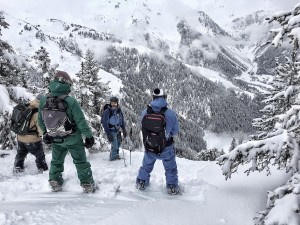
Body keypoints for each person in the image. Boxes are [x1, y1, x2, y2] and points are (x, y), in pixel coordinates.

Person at [37, 71, 96, 193]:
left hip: (55, 137)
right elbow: (81, 122)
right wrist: (89, 137)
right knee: (80, 162)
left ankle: (55, 181)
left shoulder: (44, 100)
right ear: (67, 84)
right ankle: (87, 184)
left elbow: (40, 120)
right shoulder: (70, 101)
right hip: (73, 138)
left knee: (56, 161)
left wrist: (45, 134)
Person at [136, 88, 180, 195]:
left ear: (153, 98)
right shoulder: (170, 114)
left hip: (150, 146)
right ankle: (172, 187)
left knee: (146, 167)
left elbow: (143, 127)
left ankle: (141, 182)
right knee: (170, 169)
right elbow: (175, 131)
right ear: (164, 97)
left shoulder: (145, 112)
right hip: (166, 148)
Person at [13, 94, 48, 174]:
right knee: (39, 155)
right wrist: (41, 135)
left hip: (20, 136)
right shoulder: (37, 112)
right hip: (32, 139)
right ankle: (43, 169)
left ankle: (17, 167)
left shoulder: (27, 106)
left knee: (21, 153)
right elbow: (40, 128)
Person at [102, 96, 127, 161]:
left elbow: (121, 121)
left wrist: (124, 130)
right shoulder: (107, 111)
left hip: (117, 130)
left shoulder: (119, 111)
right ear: (110, 103)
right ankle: (112, 159)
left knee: (118, 143)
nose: (113, 105)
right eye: (112, 103)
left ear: (117, 103)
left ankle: (116, 155)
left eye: (115, 103)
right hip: (111, 131)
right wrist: (108, 133)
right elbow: (105, 123)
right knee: (115, 145)